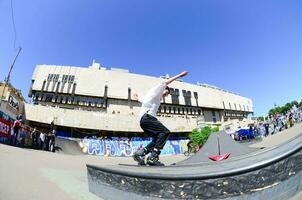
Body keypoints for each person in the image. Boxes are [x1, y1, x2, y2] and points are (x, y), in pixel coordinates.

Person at [132, 71, 189, 166]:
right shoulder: (157, 90)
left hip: (143, 121)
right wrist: (179, 75)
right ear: (163, 89)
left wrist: (137, 98)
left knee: (157, 138)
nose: (166, 94)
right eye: (167, 92)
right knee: (165, 132)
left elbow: (142, 100)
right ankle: (153, 157)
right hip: (148, 118)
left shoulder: (152, 97)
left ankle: (140, 153)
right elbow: (165, 82)